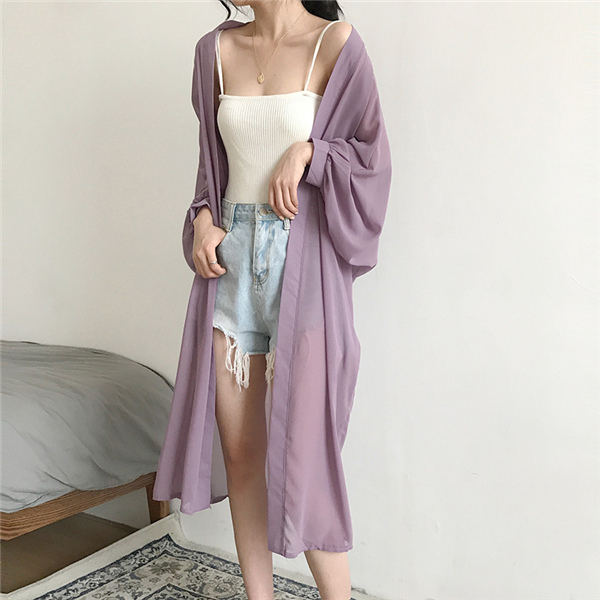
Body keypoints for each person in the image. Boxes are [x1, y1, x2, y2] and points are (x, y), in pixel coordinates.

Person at [154, 2, 392, 599]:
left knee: (304, 458)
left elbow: (372, 161)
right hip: (230, 270)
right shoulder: (214, 51)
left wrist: (311, 153)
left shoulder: (336, 45)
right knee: (241, 453)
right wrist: (202, 220)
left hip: (302, 271)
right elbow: (210, 170)